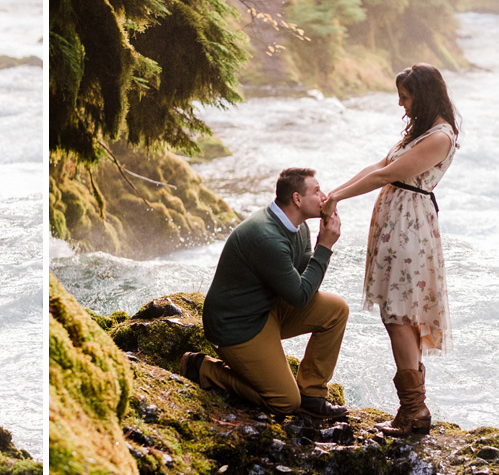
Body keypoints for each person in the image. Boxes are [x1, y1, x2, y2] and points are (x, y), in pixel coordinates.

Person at [321, 63, 460, 437]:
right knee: (398, 313)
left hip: (409, 228)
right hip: (399, 222)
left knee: (398, 314)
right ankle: (412, 411)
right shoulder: (421, 132)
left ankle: (414, 410)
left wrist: (338, 198)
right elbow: (380, 165)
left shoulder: (440, 136)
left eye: (406, 96)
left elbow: (387, 175)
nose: (401, 104)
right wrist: (334, 193)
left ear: (425, 95)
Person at [181, 168, 350, 419]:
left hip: (266, 309)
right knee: (285, 402)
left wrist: (320, 244)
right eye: (317, 191)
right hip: (236, 326)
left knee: (337, 310)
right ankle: (204, 368)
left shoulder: (297, 227)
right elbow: (300, 297)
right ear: (297, 199)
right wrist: (325, 246)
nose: (324, 196)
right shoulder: (267, 237)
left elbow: (302, 274)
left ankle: (313, 394)